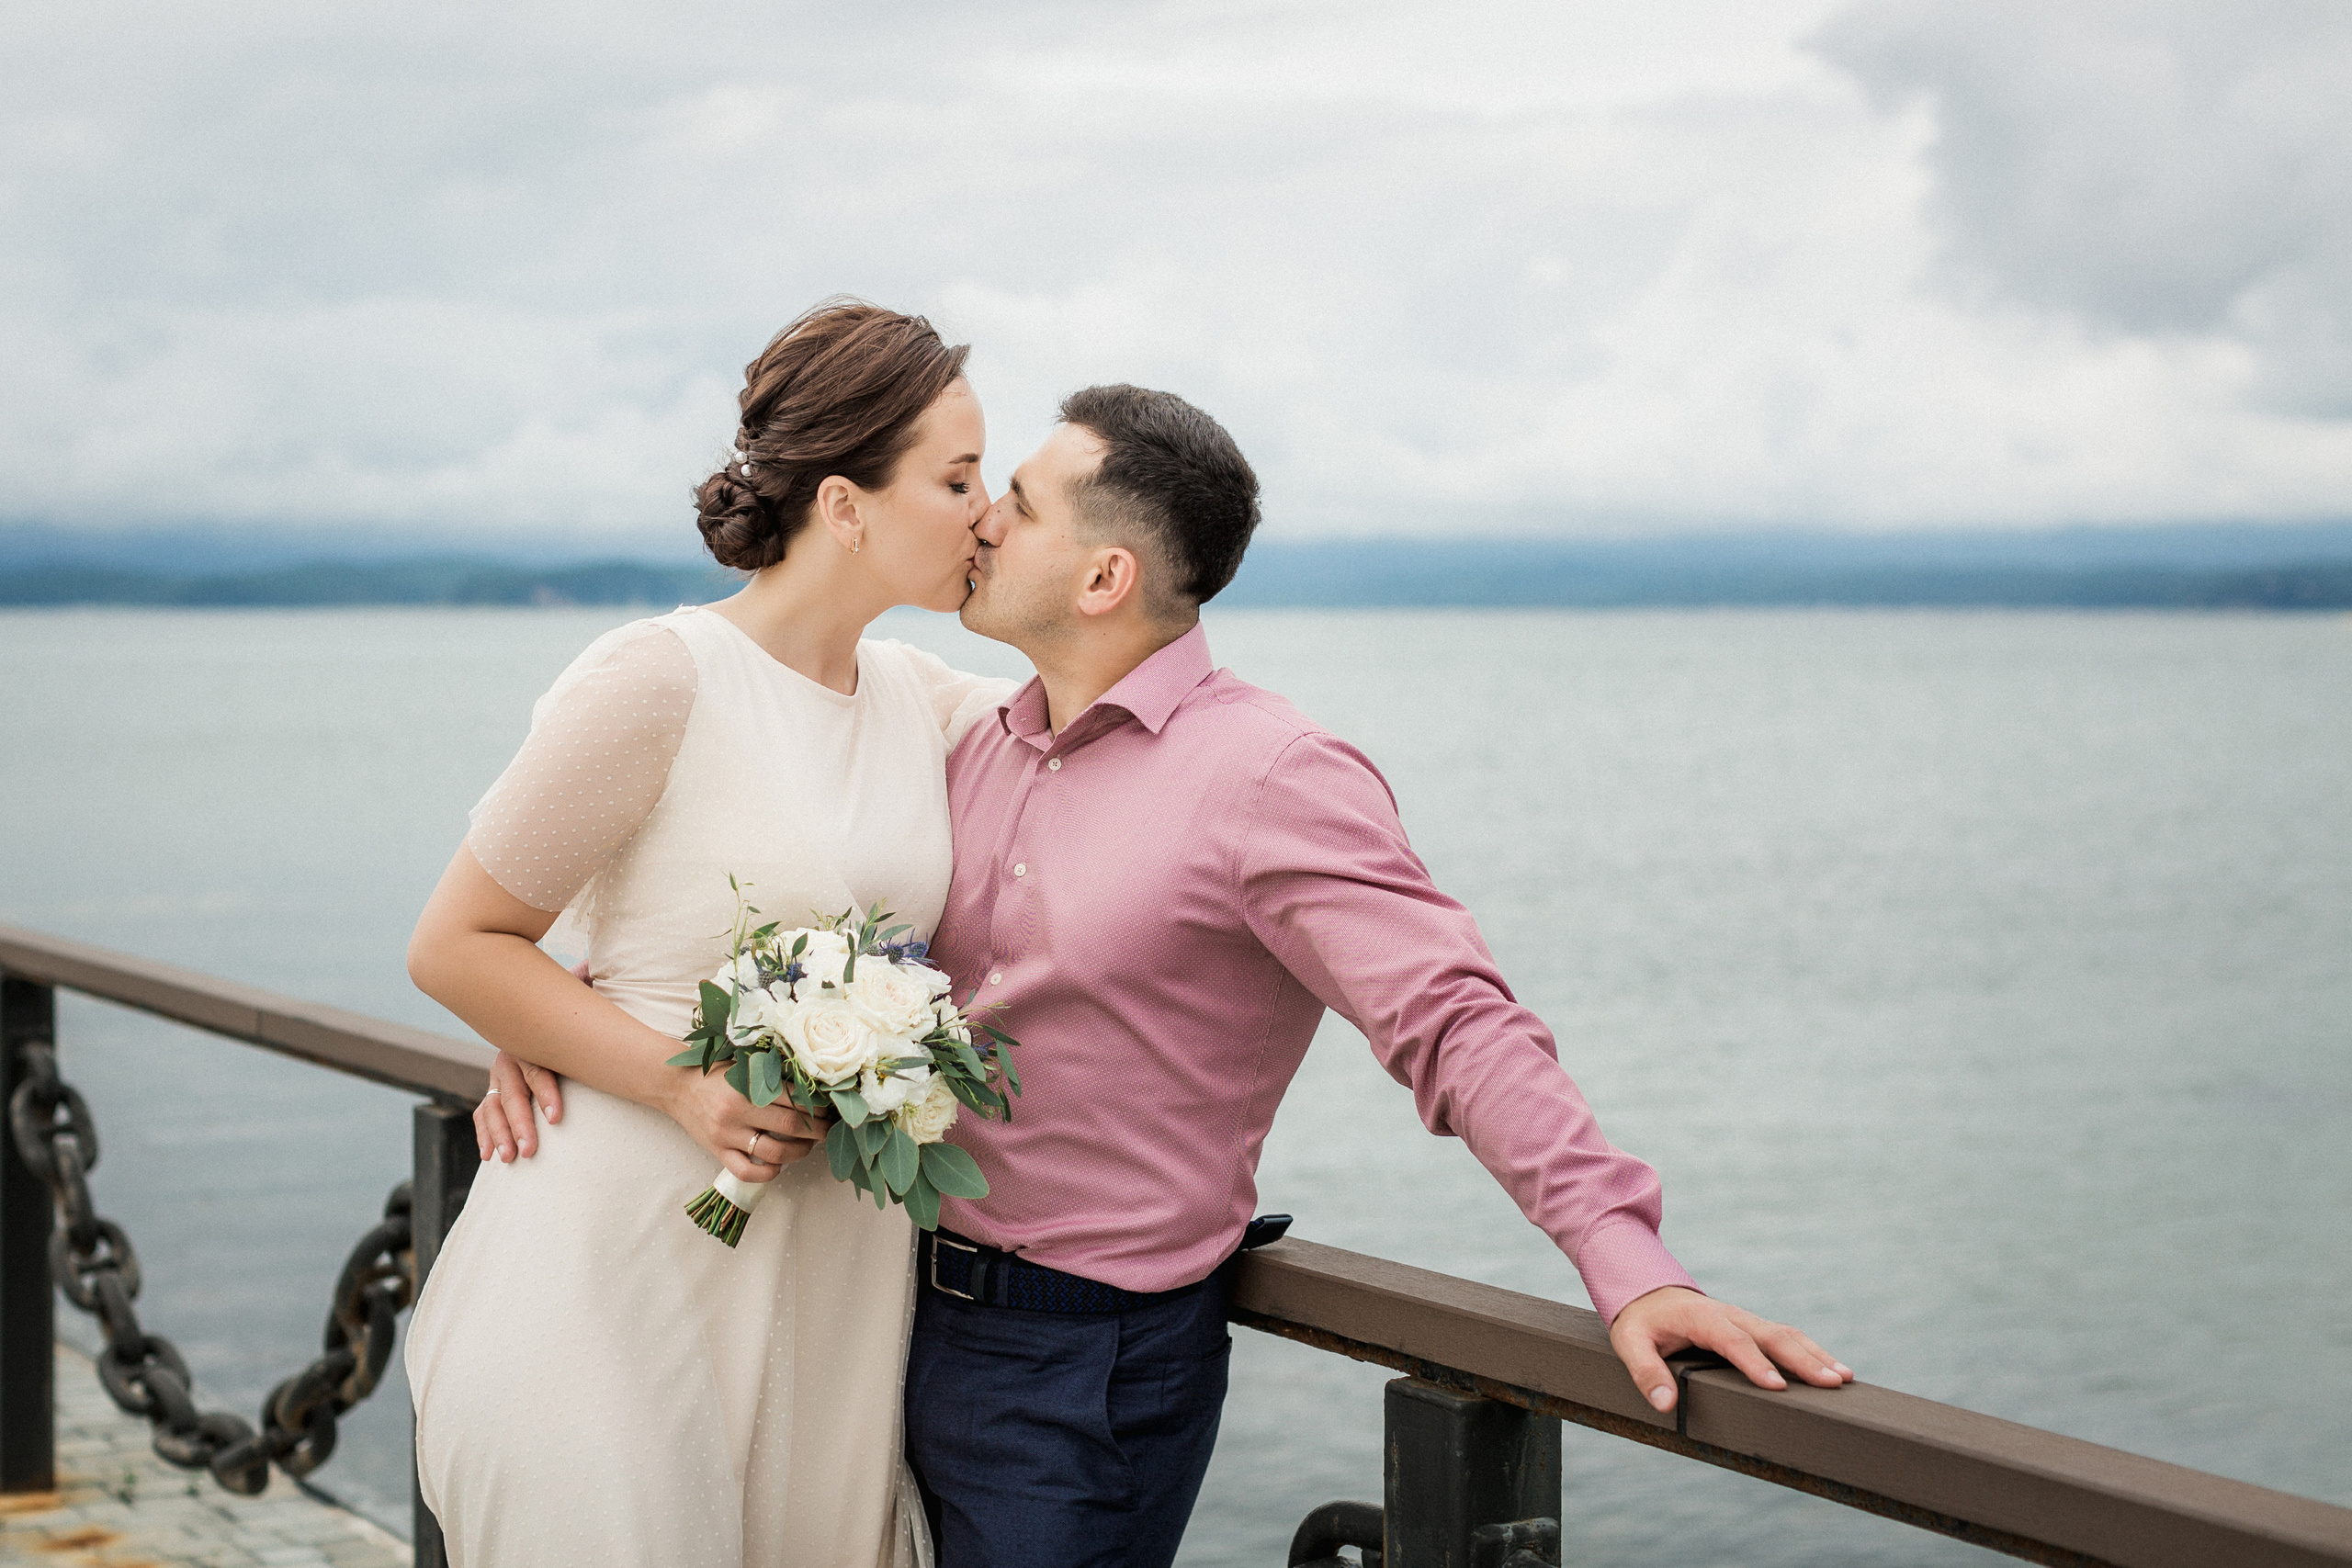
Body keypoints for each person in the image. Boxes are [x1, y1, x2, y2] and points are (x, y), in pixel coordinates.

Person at [481, 383, 1852, 1568]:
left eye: (1016, 500)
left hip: (1086, 1370)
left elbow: (1451, 1021)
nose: (981, 520)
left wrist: (1627, 1262)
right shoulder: (970, 737)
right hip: (879, 1318)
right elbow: (793, 885)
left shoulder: (1272, 778)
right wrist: (580, 1016)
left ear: (1103, 580)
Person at [402, 299, 1016, 1568]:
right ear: (844, 506)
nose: (988, 513)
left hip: (829, 1304)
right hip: (619, 1276)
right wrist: (672, 1077)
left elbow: (1098, 712)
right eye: (958, 480)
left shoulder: (920, 697)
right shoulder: (659, 679)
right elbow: (458, 944)